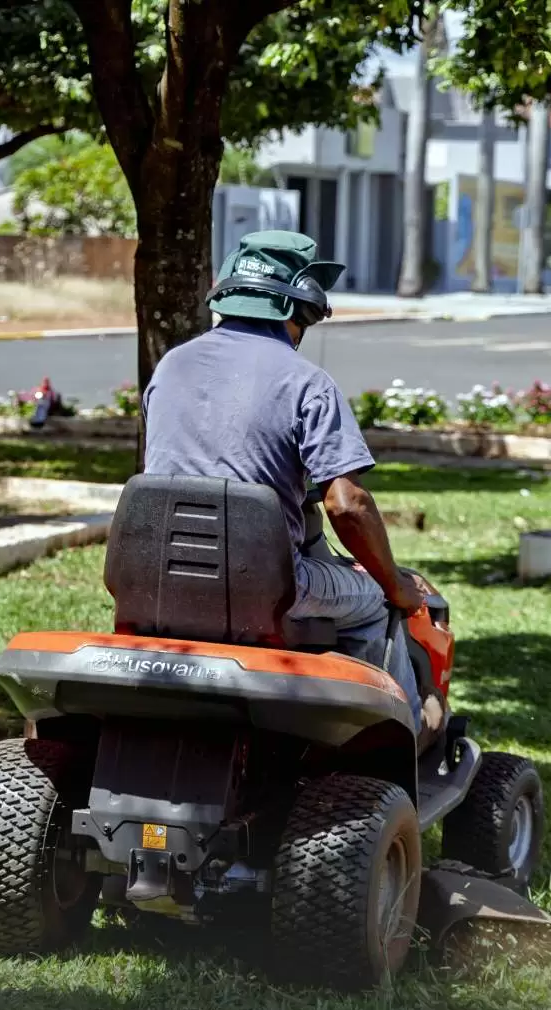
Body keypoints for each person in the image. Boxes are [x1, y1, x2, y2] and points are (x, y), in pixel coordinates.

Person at [141, 230, 441, 736]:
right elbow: (346, 505)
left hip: (154, 575)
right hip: (266, 585)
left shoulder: (171, 366)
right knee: (375, 600)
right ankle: (390, 738)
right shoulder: (306, 383)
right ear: (297, 307)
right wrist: (395, 584)